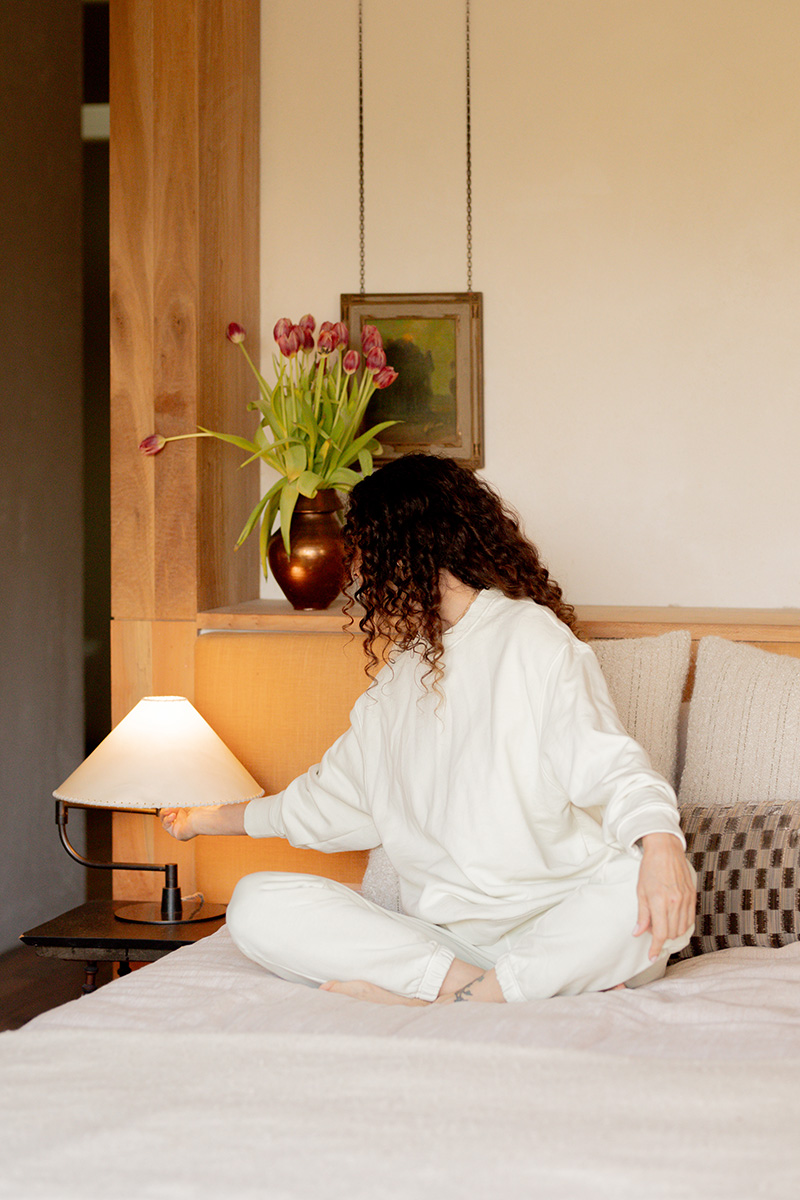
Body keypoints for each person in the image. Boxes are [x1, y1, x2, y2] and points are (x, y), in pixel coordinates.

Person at [161, 454, 695, 1005]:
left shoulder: (530, 637)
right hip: (451, 946)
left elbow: (611, 766)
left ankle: (454, 1002)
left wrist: (661, 848)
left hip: (558, 924)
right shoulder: (398, 678)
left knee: (629, 897)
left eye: (366, 553)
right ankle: (473, 994)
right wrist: (204, 819)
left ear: (405, 547)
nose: (362, 576)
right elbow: (325, 803)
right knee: (256, 902)